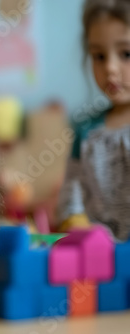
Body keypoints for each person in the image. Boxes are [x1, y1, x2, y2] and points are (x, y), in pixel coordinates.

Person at [57, 0, 130, 241]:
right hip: (100, 259)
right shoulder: (86, 131)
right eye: (99, 56)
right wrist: (76, 224)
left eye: (125, 54)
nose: (110, 67)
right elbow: (72, 196)